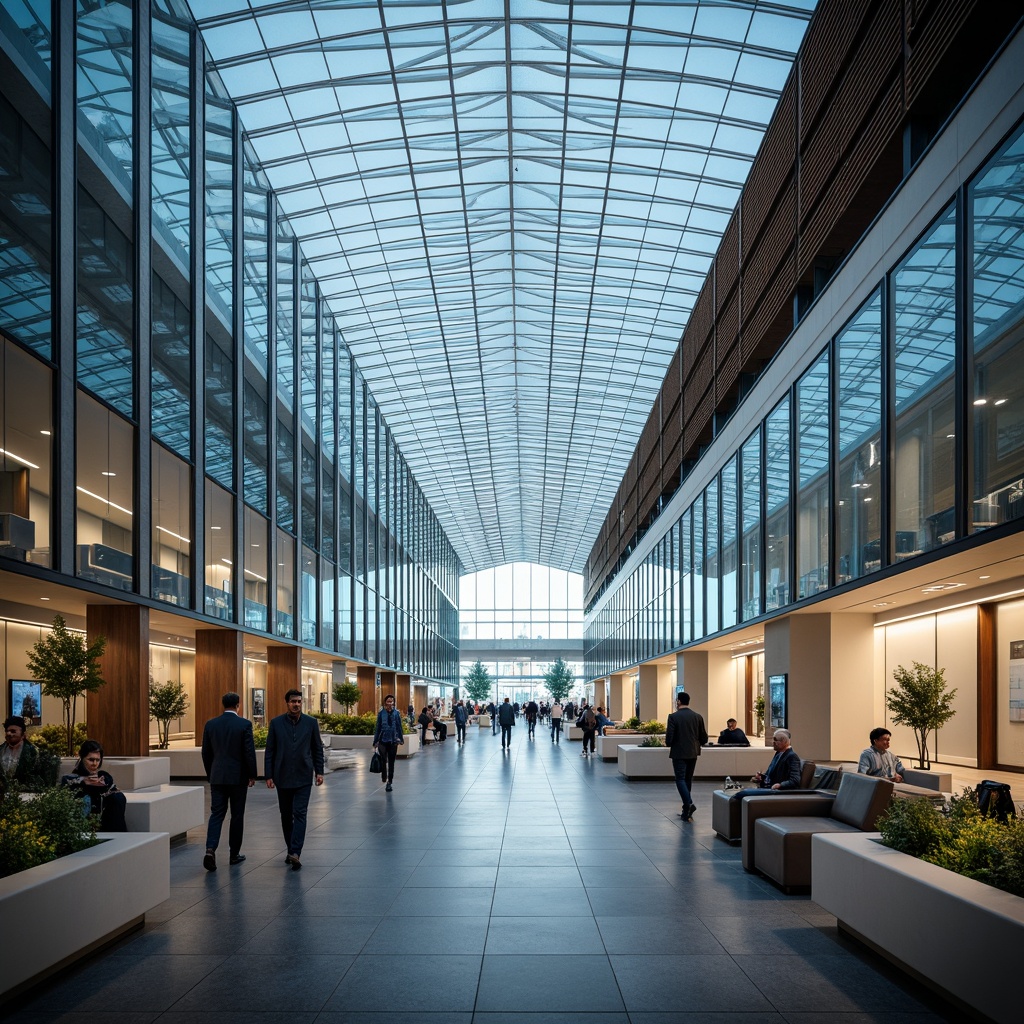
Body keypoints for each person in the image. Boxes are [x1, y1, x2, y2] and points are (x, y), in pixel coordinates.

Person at [264, 689, 325, 870]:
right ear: (287, 703)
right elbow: (270, 751)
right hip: (282, 777)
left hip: (303, 776)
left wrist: (319, 771)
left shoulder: (311, 723)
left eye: (299, 701)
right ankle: (291, 849)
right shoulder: (276, 723)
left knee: (300, 813)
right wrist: (269, 775)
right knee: (285, 815)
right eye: (293, 701)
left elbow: (317, 749)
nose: (296, 704)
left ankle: (296, 851)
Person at [200, 691, 258, 870]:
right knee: (237, 815)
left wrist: (212, 773)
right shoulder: (244, 724)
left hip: (218, 776)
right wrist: (252, 774)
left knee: (216, 814)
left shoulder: (211, 724)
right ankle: (234, 854)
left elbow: (206, 753)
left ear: (223, 705)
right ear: (238, 705)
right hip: (238, 777)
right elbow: (249, 752)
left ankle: (210, 849)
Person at [60, 740, 127, 832]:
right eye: (91, 760)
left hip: (106, 828)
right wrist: (84, 782)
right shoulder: (71, 780)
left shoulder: (105, 779)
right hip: (82, 831)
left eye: (98, 760)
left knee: (118, 797)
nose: (95, 764)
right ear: (82, 758)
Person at [729, 729, 803, 806]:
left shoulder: (792, 756)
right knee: (739, 792)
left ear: (784, 741)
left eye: (775, 740)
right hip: (770, 787)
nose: (773, 743)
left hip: (778, 791)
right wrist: (761, 778)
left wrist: (780, 785)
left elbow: (795, 780)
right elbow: (771, 775)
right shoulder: (778, 754)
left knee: (743, 793)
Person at [665, 692, 708, 820]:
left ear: (678, 702)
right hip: (693, 752)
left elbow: (669, 739)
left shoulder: (673, 717)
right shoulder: (697, 717)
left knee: (680, 779)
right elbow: (704, 738)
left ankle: (688, 804)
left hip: (679, 753)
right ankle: (686, 810)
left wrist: (671, 743)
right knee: (687, 779)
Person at [1, 715, 43, 789]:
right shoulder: (1, 750)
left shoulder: (33, 753)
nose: (8, 734)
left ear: (23, 735)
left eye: (13, 731)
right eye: (7, 731)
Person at [373, 693, 404, 791]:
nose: (390, 703)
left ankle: (389, 782)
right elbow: (378, 727)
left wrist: (400, 738)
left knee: (391, 762)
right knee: (383, 759)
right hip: (382, 740)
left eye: (392, 701)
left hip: (393, 741)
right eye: (388, 701)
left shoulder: (396, 713)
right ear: (385, 703)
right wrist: (375, 741)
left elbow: (399, 727)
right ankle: (384, 775)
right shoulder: (381, 713)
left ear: (394, 702)